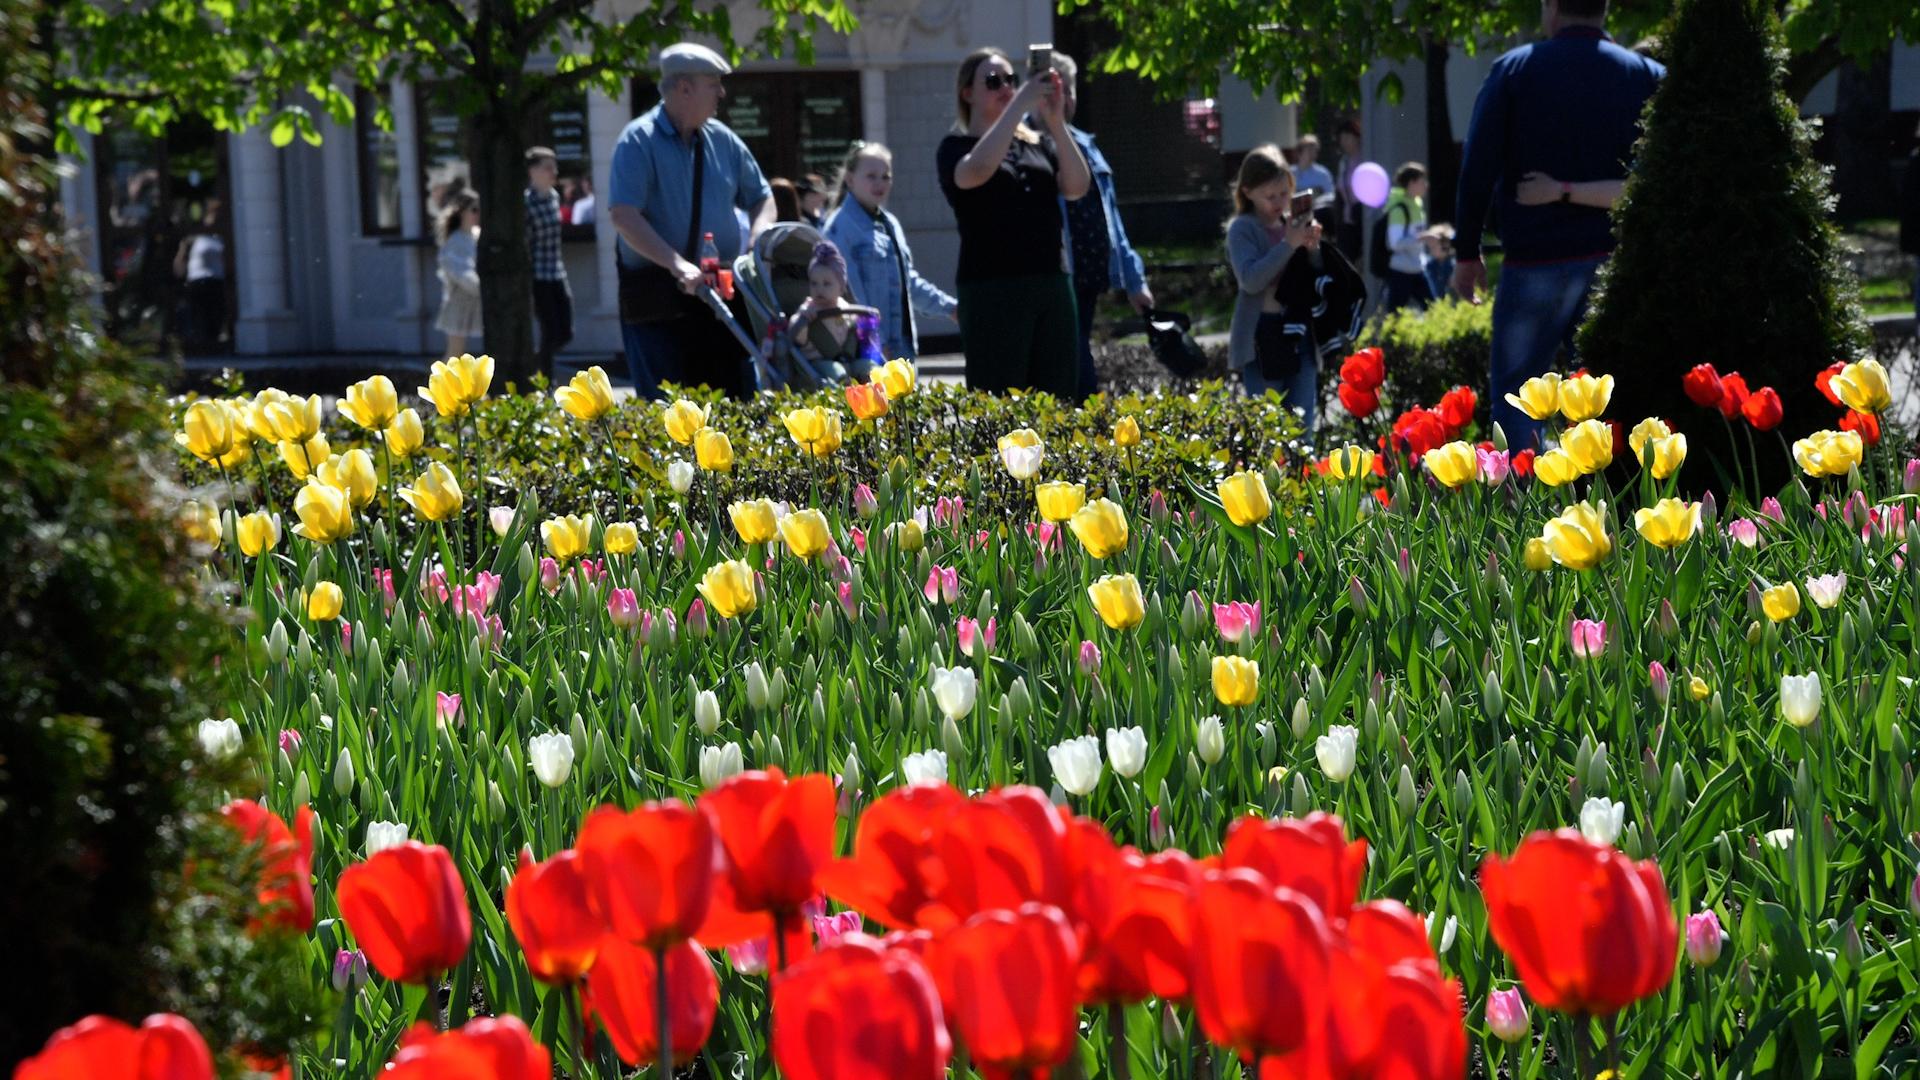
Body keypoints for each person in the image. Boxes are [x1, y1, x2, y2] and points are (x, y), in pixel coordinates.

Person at [1452, 0, 1665, 448]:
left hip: (1535, 259)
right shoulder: (1646, 75)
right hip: (1614, 260)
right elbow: (1660, 178)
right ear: (1605, 9)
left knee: (1517, 396)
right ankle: (1618, 504)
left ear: (1550, 7)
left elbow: (1477, 168)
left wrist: (1467, 252)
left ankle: (1524, 506)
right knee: (1611, 397)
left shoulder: (1514, 69)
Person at [608, 42, 774, 400]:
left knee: (736, 401)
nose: (722, 92)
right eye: (713, 83)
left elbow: (762, 197)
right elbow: (623, 215)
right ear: (685, 88)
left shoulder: (723, 140)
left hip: (720, 295)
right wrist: (678, 265)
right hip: (658, 299)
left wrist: (754, 246)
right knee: (668, 409)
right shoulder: (637, 141)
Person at [937, 46, 1091, 398]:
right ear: (967, 93)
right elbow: (973, 172)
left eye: (1012, 79)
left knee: (1058, 395)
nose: (1006, 87)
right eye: (993, 81)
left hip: (1050, 282)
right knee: (998, 398)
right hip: (992, 290)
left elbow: (1076, 187)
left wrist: (1055, 122)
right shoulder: (955, 146)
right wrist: (1019, 105)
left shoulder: (1038, 144)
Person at [1051, 52, 1154, 400]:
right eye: (1052, 89)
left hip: (1091, 276)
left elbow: (1114, 221)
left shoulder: (1088, 146)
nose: (1062, 99)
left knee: (1076, 354)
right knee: (1078, 369)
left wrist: (1134, 280)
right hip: (1059, 276)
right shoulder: (1033, 146)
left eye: (1067, 89)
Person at [823, 141, 958, 363]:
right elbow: (849, 294)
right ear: (850, 179)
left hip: (901, 348)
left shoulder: (890, 224)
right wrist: (874, 341)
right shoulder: (839, 228)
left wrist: (950, 308)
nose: (880, 183)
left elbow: (908, 282)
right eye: (871, 176)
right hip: (866, 353)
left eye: (886, 176)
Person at [1225, 146, 1321, 430]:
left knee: (1303, 430)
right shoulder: (1242, 229)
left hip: (1300, 331)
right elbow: (1250, 280)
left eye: (1285, 193)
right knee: (1269, 432)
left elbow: (1315, 275)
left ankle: (1305, 474)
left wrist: (1313, 249)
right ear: (1248, 192)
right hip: (1262, 337)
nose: (1280, 202)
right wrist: (1288, 244)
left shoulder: (1290, 224)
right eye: (1270, 196)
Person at [786, 241, 885, 381]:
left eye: (827, 284)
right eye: (814, 283)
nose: (819, 289)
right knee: (838, 373)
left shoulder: (846, 308)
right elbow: (796, 336)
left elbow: (858, 332)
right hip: (819, 363)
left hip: (848, 359)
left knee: (870, 368)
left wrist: (866, 322)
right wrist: (803, 319)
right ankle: (843, 391)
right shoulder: (808, 308)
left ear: (841, 287)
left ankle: (876, 388)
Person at [524, 146, 573, 380]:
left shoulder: (554, 197)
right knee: (549, 330)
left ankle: (538, 360)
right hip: (538, 276)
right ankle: (546, 379)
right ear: (532, 171)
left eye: (554, 167)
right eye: (547, 167)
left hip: (557, 271)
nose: (554, 172)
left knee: (565, 331)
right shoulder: (526, 203)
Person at [172, 198, 226, 353]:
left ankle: (213, 346)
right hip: (198, 282)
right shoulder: (196, 237)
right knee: (199, 317)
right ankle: (199, 347)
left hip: (216, 281)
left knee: (214, 317)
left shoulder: (222, 236)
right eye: (213, 215)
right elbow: (180, 261)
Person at [434, 189, 483, 357]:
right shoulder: (455, 240)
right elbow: (460, 272)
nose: (478, 214)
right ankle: (441, 383)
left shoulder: (477, 235)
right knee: (455, 352)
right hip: (458, 301)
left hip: (476, 301)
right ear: (462, 211)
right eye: (474, 210)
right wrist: (482, 288)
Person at [1381, 162, 1436, 312]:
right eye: (1422, 181)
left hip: (1417, 268)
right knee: (1393, 318)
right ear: (1411, 183)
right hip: (1400, 271)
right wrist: (1423, 238)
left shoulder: (1416, 205)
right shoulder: (1398, 209)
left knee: (1434, 310)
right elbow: (1395, 243)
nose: (1426, 185)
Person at [1333, 119, 1365, 258]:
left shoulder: (1365, 158)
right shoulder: (1344, 161)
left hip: (1362, 217)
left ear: (1356, 137)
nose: (1344, 142)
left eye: (1347, 137)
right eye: (1342, 138)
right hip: (1347, 219)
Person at [1292, 134, 1335, 203]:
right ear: (1299, 152)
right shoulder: (1290, 173)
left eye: (1315, 151)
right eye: (1309, 150)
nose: (1313, 154)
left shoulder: (1322, 173)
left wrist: (1318, 199)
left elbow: (1331, 194)